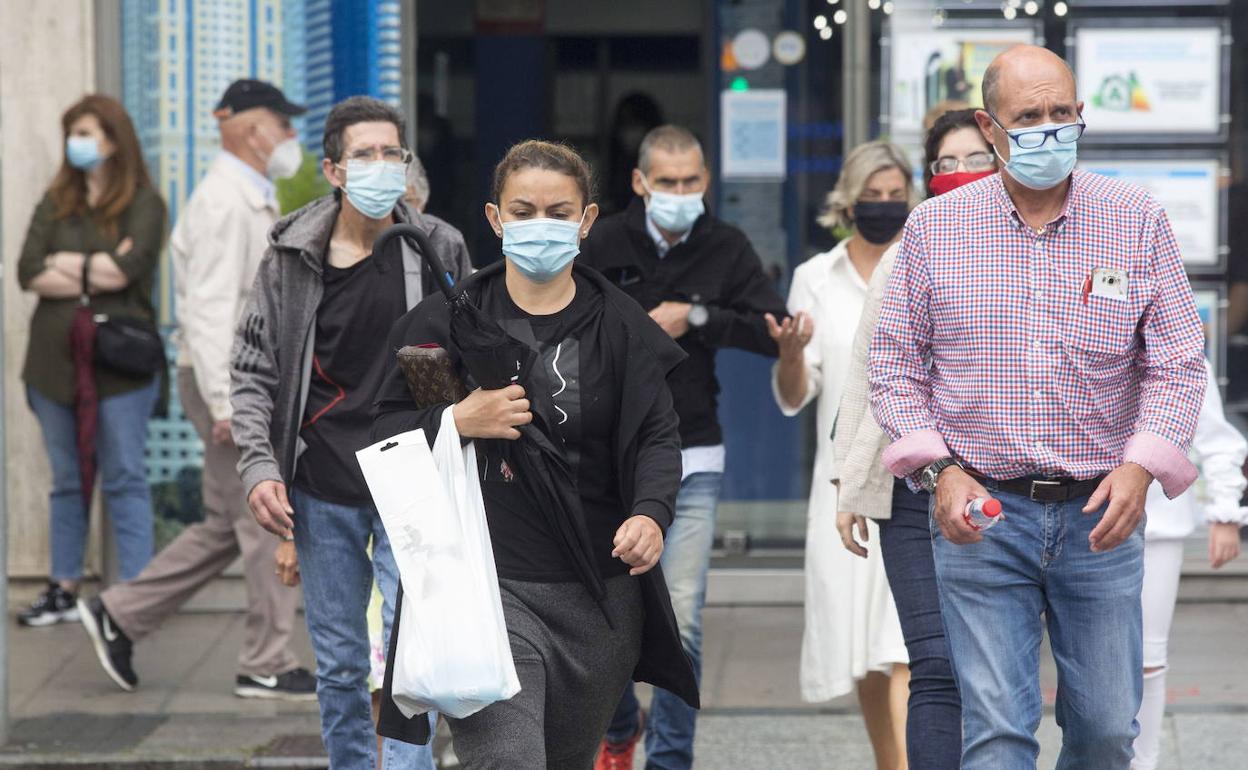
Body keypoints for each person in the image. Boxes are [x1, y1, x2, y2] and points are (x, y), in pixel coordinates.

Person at [870, 45, 1208, 769]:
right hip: (984, 516)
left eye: (1063, 113)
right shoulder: (936, 230)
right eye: (1030, 117)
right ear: (990, 129)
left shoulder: (1135, 219)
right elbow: (894, 366)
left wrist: (1143, 468)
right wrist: (939, 473)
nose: (1049, 128)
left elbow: (1178, 363)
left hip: (1100, 519)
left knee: (1106, 729)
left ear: (1082, 115)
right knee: (996, 733)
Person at [371, 138, 698, 769]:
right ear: (495, 220)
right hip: (486, 588)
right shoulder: (447, 319)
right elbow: (381, 431)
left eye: (558, 211)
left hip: (598, 594)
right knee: (509, 761)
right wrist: (458, 419)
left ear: (587, 219)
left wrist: (651, 513)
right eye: (522, 212)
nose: (539, 225)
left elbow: (659, 434)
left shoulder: (623, 325)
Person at [230, 95, 472, 769]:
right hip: (323, 484)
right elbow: (252, 372)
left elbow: (476, 357)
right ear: (334, 171)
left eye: (391, 153)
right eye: (363, 155)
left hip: (412, 479)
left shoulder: (437, 245)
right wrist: (260, 470)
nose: (380, 166)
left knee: (411, 661)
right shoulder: (291, 255)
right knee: (339, 666)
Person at [74, 80, 315, 700]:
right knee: (266, 517)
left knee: (224, 521)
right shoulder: (224, 203)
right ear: (250, 129)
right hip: (234, 383)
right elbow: (208, 311)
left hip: (236, 381)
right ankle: (265, 659)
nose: (290, 137)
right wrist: (227, 402)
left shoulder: (247, 197)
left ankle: (120, 613)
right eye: (282, 124)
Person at [579, 124, 788, 770]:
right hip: (601, 458)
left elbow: (770, 329)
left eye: (690, 181)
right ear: (640, 183)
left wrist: (694, 315)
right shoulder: (602, 240)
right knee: (603, 620)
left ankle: (670, 759)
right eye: (665, 182)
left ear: (706, 182)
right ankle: (618, 727)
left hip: (692, 453)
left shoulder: (725, 246)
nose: (678, 192)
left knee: (682, 622)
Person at [829, 108, 997, 769]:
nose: (960, 174)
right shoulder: (910, 251)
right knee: (933, 664)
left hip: (1004, 493)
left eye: (975, 159)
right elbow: (867, 374)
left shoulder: (1038, 250)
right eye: (946, 164)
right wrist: (852, 479)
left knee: (989, 673)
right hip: (913, 491)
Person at [768, 140, 915, 770]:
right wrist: (791, 354)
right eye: (872, 197)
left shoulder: (927, 261)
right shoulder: (815, 277)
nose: (884, 208)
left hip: (916, 477)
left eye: (895, 196)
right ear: (847, 203)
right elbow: (796, 398)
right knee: (863, 649)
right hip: (844, 486)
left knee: (907, 645)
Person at [16, 95, 166, 627]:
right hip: (52, 368)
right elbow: (28, 270)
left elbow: (127, 272)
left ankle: (134, 599)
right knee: (66, 479)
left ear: (113, 138)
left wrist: (67, 265)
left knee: (124, 476)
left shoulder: (145, 203)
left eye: (86, 132)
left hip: (120, 368)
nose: (76, 143)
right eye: (71, 133)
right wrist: (94, 267)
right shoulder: (55, 201)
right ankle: (62, 588)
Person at [1131, 361, 1246, 770]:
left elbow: (1217, 438)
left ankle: (1144, 763)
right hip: (1071, 517)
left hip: (1156, 526)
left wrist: (1225, 512)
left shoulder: (1179, 353)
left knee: (1147, 658)